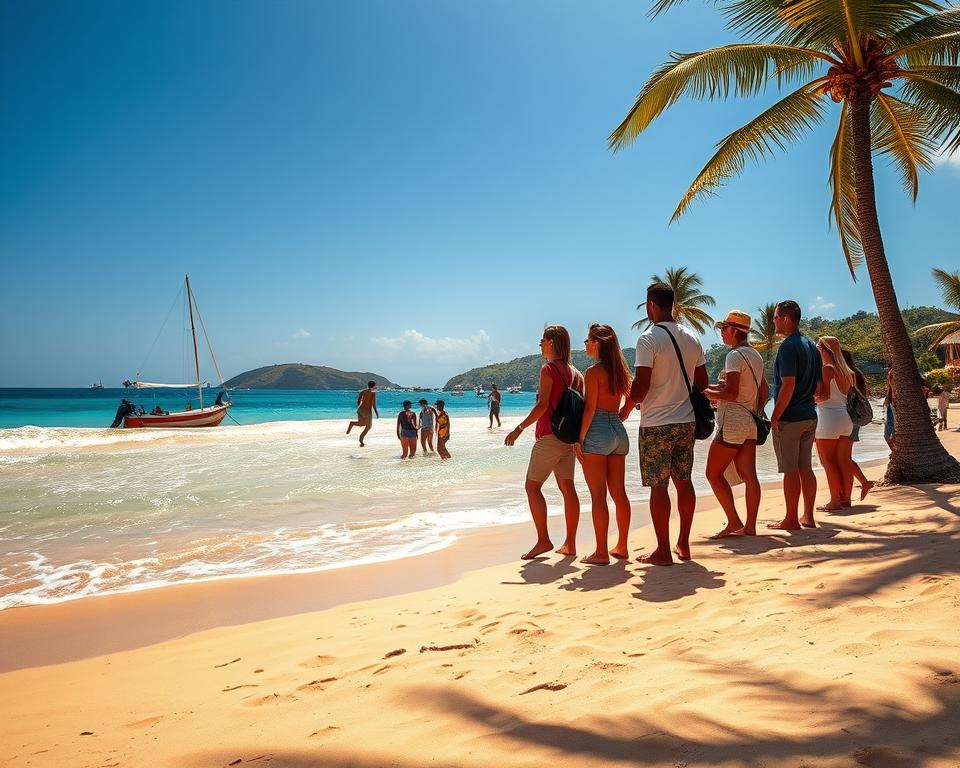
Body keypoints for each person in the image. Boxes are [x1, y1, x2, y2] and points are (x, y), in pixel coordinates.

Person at [631, 282, 708, 566]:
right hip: (686, 421)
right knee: (684, 481)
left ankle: (663, 550)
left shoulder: (648, 339)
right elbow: (701, 383)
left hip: (656, 424)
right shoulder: (692, 337)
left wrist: (627, 405)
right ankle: (684, 544)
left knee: (659, 487)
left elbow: (640, 387)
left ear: (651, 305)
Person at [504, 325, 583, 560]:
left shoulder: (548, 369)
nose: (539, 344)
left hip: (549, 436)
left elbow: (543, 406)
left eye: (542, 340)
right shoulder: (576, 373)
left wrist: (519, 429)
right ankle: (570, 543)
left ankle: (543, 540)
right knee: (568, 488)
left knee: (532, 487)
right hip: (567, 439)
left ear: (551, 343)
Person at [703, 310, 767, 538]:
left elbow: (730, 392)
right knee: (750, 474)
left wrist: (705, 391)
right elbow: (764, 392)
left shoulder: (734, 356)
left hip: (733, 421)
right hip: (750, 419)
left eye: (724, 328)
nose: (721, 333)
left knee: (712, 473)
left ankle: (733, 521)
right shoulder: (756, 356)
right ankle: (749, 526)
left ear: (734, 330)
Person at [575, 323, 634, 565]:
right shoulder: (620, 370)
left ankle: (601, 552)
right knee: (619, 493)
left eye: (588, 341)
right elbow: (633, 394)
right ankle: (621, 545)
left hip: (598, 430)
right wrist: (623, 413)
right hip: (618, 431)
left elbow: (589, 408)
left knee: (598, 495)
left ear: (597, 343)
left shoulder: (593, 372)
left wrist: (579, 439)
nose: (586, 345)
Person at [769, 300, 822, 530]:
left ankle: (791, 518)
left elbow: (787, 384)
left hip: (791, 417)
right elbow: (820, 388)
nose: (773, 321)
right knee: (805, 468)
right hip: (810, 414)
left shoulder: (788, 347)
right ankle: (807, 516)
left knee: (790, 470)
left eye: (775, 317)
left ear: (786, 319)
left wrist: (775, 415)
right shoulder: (811, 345)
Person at [813, 336, 855, 512]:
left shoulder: (827, 369)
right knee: (843, 460)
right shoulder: (849, 372)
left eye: (817, 347)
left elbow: (823, 396)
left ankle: (834, 501)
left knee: (828, 461)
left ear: (824, 350)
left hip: (829, 418)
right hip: (846, 418)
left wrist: (809, 397)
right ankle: (846, 498)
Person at [840, 349, 875, 503]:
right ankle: (848, 491)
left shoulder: (848, 373)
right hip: (855, 417)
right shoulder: (856, 373)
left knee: (844, 457)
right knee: (846, 457)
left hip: (849, 417)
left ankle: (862, 482)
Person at [347, 381, 379, 447]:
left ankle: (352, 423)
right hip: (367, 411)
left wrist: (360, 408)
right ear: (373, 386)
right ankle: (361, 439)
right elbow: (373, 404)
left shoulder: (362, 391)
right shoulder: (373, 393)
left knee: (362, 424)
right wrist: (376, 413)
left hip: (360, 410)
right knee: (368, 426)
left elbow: (358, 401)